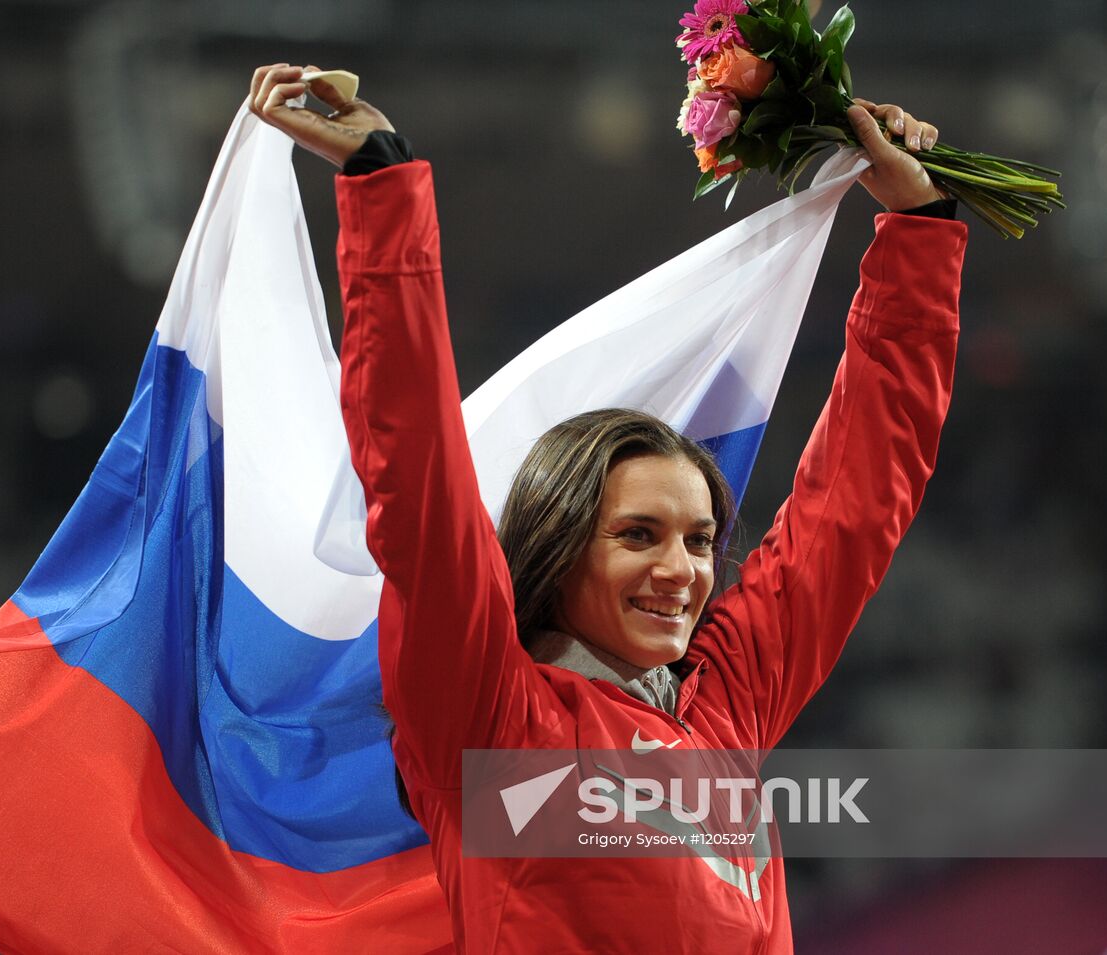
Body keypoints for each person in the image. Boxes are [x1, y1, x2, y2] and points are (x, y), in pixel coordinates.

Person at [249, 63, 966, 953]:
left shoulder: (724, 713)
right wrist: (381, 184)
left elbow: (855, 504)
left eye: (701, 539)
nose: (683, 571)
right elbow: (416, 480)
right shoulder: (491, 717)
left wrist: (919, 232)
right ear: (560, 543)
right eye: (638, 534)